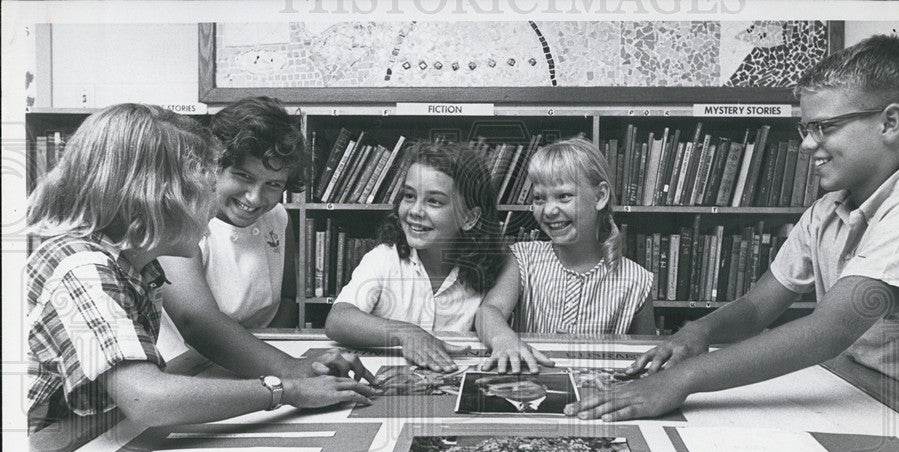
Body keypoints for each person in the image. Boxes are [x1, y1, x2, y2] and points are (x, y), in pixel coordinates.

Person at [566, 34, 899, 422]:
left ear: (889, 123)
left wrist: (679, 380)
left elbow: (827, 331)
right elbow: (758, 307)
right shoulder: (826, 210)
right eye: (805, 128)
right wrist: (698, 331)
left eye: (824, 127)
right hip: (861, 390)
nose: (805, 145)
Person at [25, 104, 376, 433]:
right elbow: (147, 399)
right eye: (201, 188)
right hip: (44, 448)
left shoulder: (131, 266)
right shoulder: (82, 266)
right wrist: (284, 389)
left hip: (86, 435)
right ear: (151, 198)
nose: (212, 205)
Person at [156, 96, 371, 382]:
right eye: (243, 176)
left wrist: (274, 365)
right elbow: (195, 321)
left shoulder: (278, 216)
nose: (255, 198)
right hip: (186, 368)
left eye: (273, 184)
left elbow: (286, 300)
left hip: (260, 362)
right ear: (213, 166)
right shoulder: (181, 219)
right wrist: (289, 369)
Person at [476, 137, 655, 374]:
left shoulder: (637, 281)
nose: (549, 210)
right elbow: (488, 311)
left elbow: (646, 357)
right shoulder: (522, 258)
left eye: (564, 197)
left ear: (600, 196)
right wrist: (503, 339)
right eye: (539, 198)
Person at [325, 141, 505, 372]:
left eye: (434, 201)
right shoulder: (383, 259)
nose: (415, 211)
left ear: (469, 218)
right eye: (409, 196)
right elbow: (338, 320)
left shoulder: (489, 269)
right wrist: (406, 333)